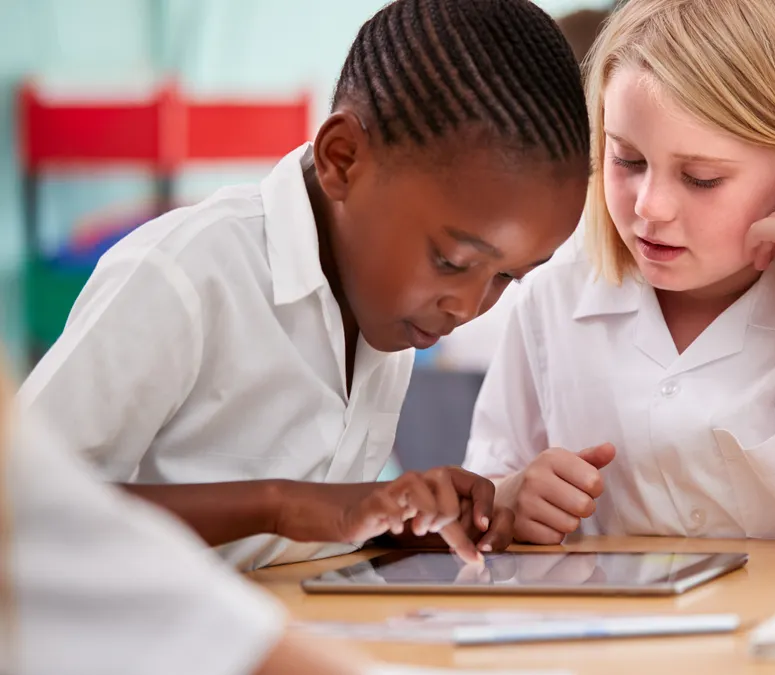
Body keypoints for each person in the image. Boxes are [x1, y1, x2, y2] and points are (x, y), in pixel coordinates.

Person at [16, 0, 591, 569]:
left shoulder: (383, 310)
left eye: (505, 278)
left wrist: (399, 526)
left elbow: (307, 536)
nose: (467, 306)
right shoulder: (187, 276)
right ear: (343, 159)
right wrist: (283, 505)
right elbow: (22, 504)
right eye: (450, 259)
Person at [463, 0, 775, 560]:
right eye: (626, 160)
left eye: (701, 179)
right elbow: (484, 496)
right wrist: (513, 499)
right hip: (620, 645)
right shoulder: (554, 293)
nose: (650, 207)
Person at [2, 359, 381, 675]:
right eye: (440, 263)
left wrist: (393, 525)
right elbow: (71, 513)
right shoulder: (176, 277)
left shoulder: (390, 347)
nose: (445, 315)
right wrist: (277, 504)